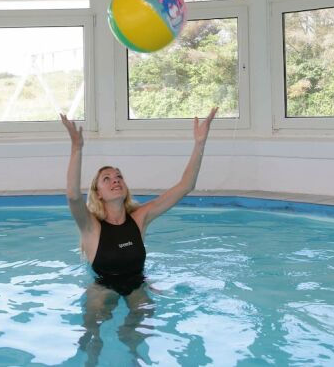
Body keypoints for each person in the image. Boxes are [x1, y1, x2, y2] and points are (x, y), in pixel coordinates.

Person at [60, 107, 218, 363]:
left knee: (140, 326)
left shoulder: (140, 218)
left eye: (119, 176)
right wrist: (77, 148)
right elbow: (72, 196)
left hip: (137, 283)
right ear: (98, 193)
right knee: (93, 332)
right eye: (107, 179)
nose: (115, 180)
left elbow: (185, 186)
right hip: (102, 285)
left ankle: (133, 359)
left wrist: (200, 142)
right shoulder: (91, 227)